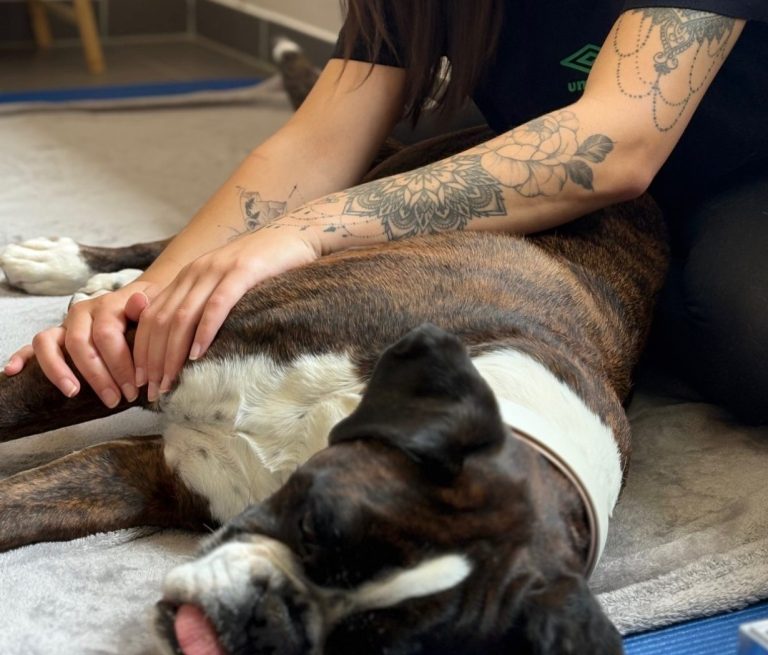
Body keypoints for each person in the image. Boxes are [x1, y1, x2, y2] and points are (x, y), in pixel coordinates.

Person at [5, 1, 767, 423]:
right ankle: (128, 261)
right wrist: (154, 296)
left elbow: (617, 140)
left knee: (746, 342)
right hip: (536, 143)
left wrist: (309, 230)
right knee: (355, 201)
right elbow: (319, 141)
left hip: (737, 168)